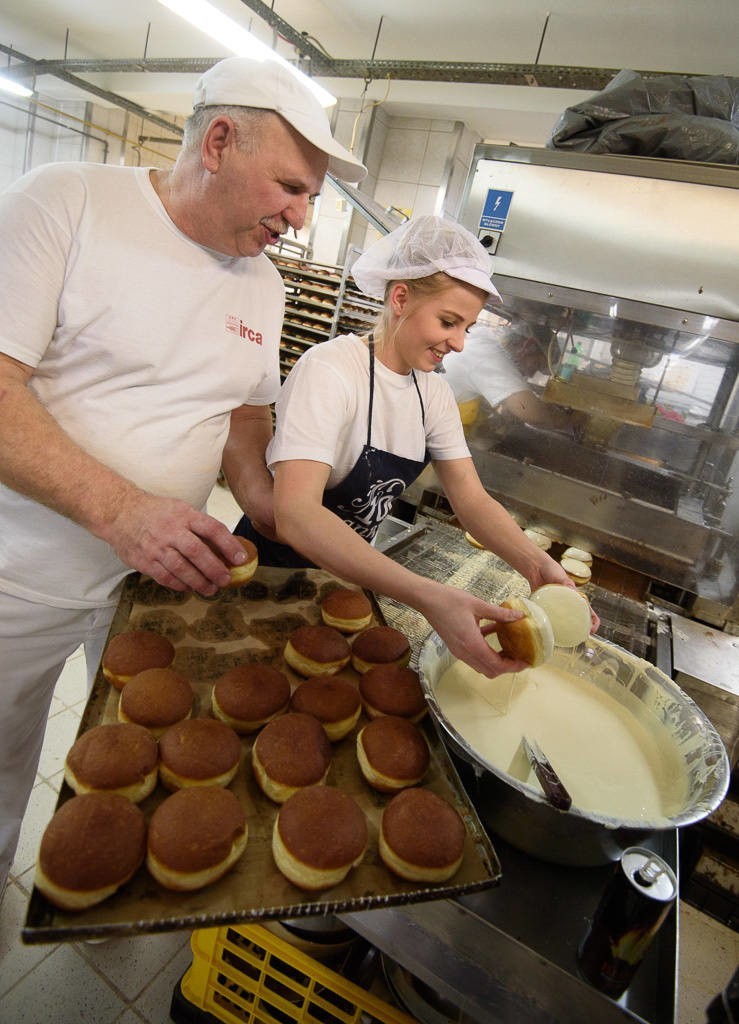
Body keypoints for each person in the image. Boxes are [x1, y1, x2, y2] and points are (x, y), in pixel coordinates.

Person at [0, 55, 367, 899]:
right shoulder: (67, 202)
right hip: (18, 579)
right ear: (219, 141)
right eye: (288, 186)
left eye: (309, 197)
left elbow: (243, 417)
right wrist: (124, 510)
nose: (300, 217)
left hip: (154, 589)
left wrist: (273, 503)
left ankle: (119, 872)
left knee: (143, 759)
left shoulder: (266, 285)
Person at [235, 215, 587, 678]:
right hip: (268, 572)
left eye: (468, 327)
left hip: (345, 576)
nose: (458, 343)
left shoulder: (433, 394)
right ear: (400, 298)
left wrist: (536, 565)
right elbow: (296, 513)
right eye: (448, 321)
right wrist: (427, 595)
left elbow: (472, 499)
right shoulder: (331, 371)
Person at [442, 318, 587, 434]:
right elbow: (533, 413)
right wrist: (572, 420)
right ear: (528, 346)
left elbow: (509, 411)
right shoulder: (488, 355)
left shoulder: (484, 349)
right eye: (536, 364)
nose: (531, 374)